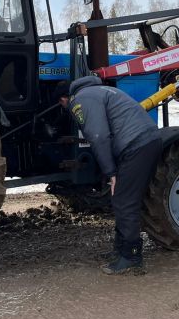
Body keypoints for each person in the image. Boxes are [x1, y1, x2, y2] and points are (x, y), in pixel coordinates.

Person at [54, 76, 162, 275]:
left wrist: (110, 172)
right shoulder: (100, 90)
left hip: (136, 144)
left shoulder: (80, 100)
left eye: (62, 104)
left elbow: (98, 136)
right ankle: (121, 250)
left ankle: (131, 255)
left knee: (123, 199)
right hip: (145, 140)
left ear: (64, 98)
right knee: (122, 197)